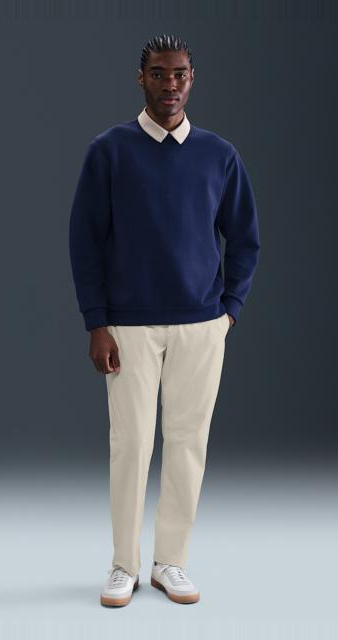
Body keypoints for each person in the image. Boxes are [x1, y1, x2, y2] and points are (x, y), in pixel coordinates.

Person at [69, 33, 260, 607]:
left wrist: (229, 311)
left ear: (191, 79)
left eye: (179, 74)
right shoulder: (109, 151)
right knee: (130, 444)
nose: (169, 84)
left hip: (201, 325)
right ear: (141, 79)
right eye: (158, 73)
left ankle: (170, 562)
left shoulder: (219, 155)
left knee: (187, 443)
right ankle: (123, 565)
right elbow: (85, 241)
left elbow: (245, 240)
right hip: (128, 326)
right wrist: (96, 322)